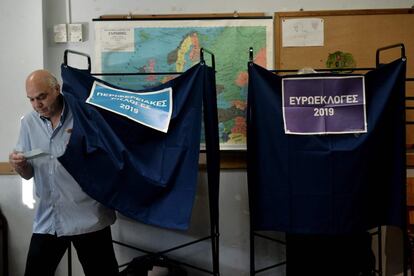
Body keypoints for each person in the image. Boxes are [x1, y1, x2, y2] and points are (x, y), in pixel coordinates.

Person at [8, 70, 118, 276]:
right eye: (31, 99)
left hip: (88, 215)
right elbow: (28, 174)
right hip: (50, 217)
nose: (36, 105)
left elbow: (109, 160)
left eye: (41, 97)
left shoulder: (85, 115)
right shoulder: (28, 123)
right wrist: (20, 165)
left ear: (56, 89)